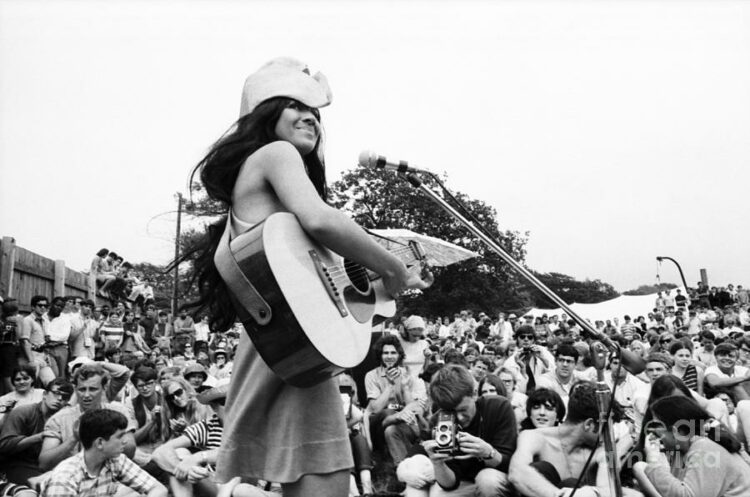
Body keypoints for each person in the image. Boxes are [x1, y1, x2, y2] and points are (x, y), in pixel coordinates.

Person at [183, 57, 432, 497]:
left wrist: (382, 288)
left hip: (282, 343)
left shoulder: (267, 191)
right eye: (295, 105)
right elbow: (322, 220)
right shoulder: (275, 154)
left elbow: (325, 288)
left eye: (316, 113)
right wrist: (392, 267)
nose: (310, 118)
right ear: (265, 114)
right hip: (289, 346)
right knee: (325, 484)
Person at [397, 364, 517, 497]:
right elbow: (449, 484)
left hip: (496, 477)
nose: (459, 418)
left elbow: (511, 464)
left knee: (487, 479)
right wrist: (438, 464)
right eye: (451, 412)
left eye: (463, 410)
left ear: (475, 394)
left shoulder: (498, 407)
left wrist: (488, 453)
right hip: (464, 483)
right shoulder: (440, 420)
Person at [508, 381, 638, 497]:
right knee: (542, 469)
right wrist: (559, 495)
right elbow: (517, 472)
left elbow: (607, 491)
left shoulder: (602, 451)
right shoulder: (533, 437)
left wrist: (592, 492)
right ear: (589, 424)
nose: (609, 434)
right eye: (606, 427)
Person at [633, 395, 750, 497]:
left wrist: (654, 463)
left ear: (675, 431)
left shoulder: (705, 448)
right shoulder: (685, 448)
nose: (652, 432)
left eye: (656, 427)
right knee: (640, 467)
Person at [40, 408, 167, 497]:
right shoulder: (65, 478)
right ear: (100, 443)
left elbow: (158, 489)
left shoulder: (116, 459)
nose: (125, 441)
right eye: (119, 436)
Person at [38, 362, 136, 471]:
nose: (86, 395)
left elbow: (130, 451)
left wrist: (109, 433)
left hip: (112, 473)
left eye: (93, 389)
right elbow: (44, 464)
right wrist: (73, 439)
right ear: (75, 390)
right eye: (82, 389)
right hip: (73, 476)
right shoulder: (59, 419)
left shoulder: (118, 411)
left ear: (104, 388)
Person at [364, 335, 427, 466]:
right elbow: (375, 408)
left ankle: (403, 469)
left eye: (393, 353)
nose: (389, 356)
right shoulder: (371, 375)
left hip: (402, 421)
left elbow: (413, 407)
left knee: (391, 430)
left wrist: (404, 387)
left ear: (399, 355)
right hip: (379, 422)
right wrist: (389, 385)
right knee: (389, 412)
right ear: (380, 355)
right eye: (385, 353)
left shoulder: (407, 375)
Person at [0, 378, 73, 485]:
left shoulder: (65, 418)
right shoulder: (23, 412)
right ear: (44, 394)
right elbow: (4, 445)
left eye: (65, 397)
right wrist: (38, 437)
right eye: (56, 393)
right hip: (19, 465)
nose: (59, 399)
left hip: (50, 467)